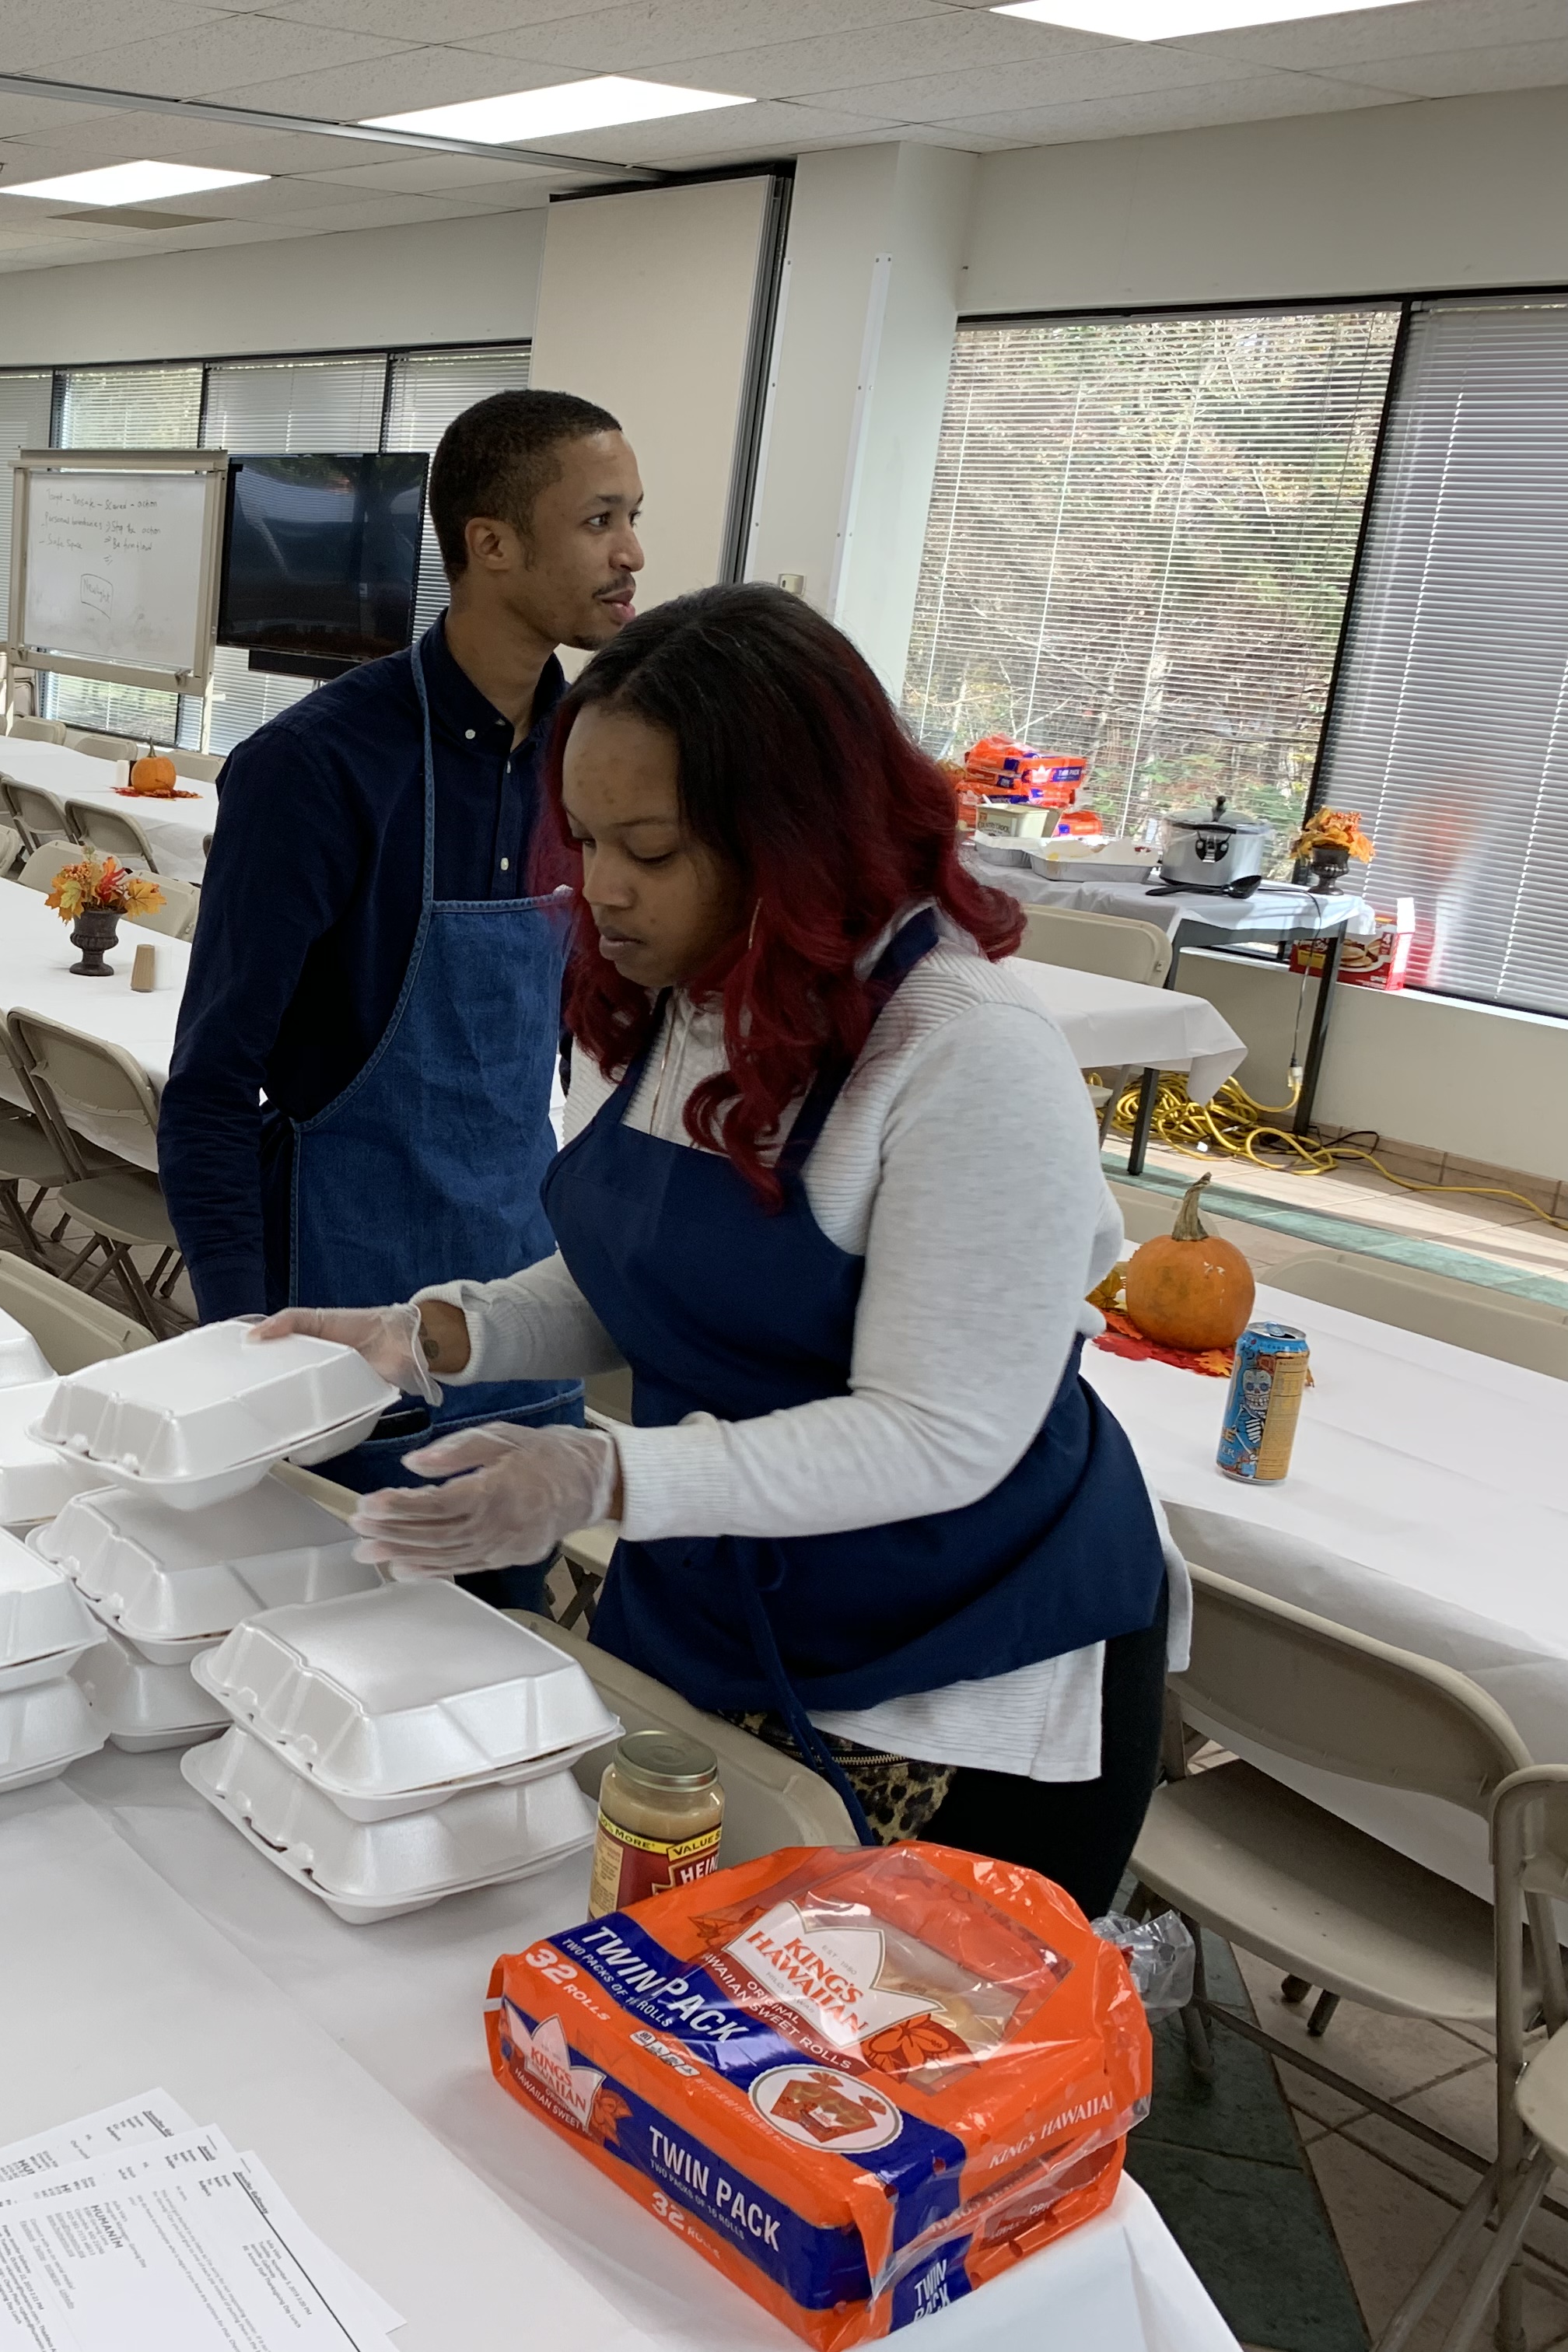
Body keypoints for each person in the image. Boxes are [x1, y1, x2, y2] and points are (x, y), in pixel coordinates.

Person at [263, 585, 1177, 1916]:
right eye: (585, 839)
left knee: (829, 2018)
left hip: (940, 1664)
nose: (602, 889)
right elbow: (646, 1273)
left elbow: (937, 1434)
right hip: (718, 1594)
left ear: (796, 839)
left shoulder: (969, 1057)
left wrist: (603, 1472)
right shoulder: (697, 996)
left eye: (650, 848)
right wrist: (439, 1334)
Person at [159, 390, 644, 1528]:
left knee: (504, 1624)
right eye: (600, 520)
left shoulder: (597, 764)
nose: (631, 552)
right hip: (336, 1304)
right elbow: (211, 1091)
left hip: (522, 1299)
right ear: (491, 543)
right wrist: (243, 1349)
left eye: (635, 517)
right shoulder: (317, 769)